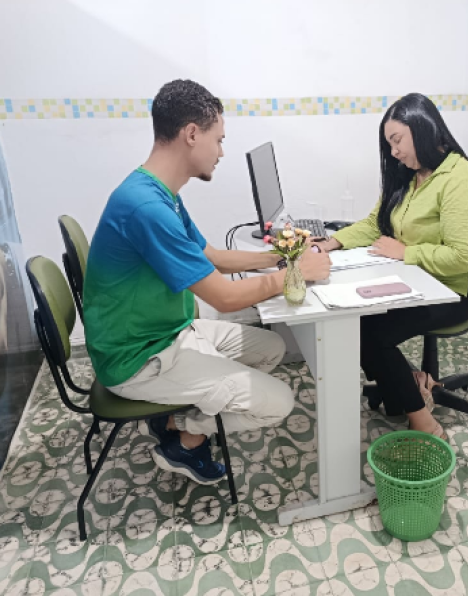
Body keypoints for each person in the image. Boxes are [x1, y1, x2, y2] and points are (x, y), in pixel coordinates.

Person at [83, 80, 331, 485]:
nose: (221, 152)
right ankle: (183, 433)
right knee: (279, 402)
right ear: (192, 134)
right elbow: (226, 297)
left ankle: (181, 421)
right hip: (138, 359)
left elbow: (211, 256)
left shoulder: (160, 193)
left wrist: (283, 257)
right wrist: (296, 274)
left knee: (271, 348)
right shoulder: (146, 208)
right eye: (219, 140)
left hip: (167, 332)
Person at [313, 93, 468, 440]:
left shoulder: (461, 180)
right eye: (389, 144)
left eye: (397, 140)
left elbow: (464, 256)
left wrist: (406, 252)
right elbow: (376, 224)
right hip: (419, 279)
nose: (393, 152)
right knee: (357, 322)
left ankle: (423, 420)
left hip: (455, 290)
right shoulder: (410, 175)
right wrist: (330, 243)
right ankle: (412, 383)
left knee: (369, 333)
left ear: (423, 129)